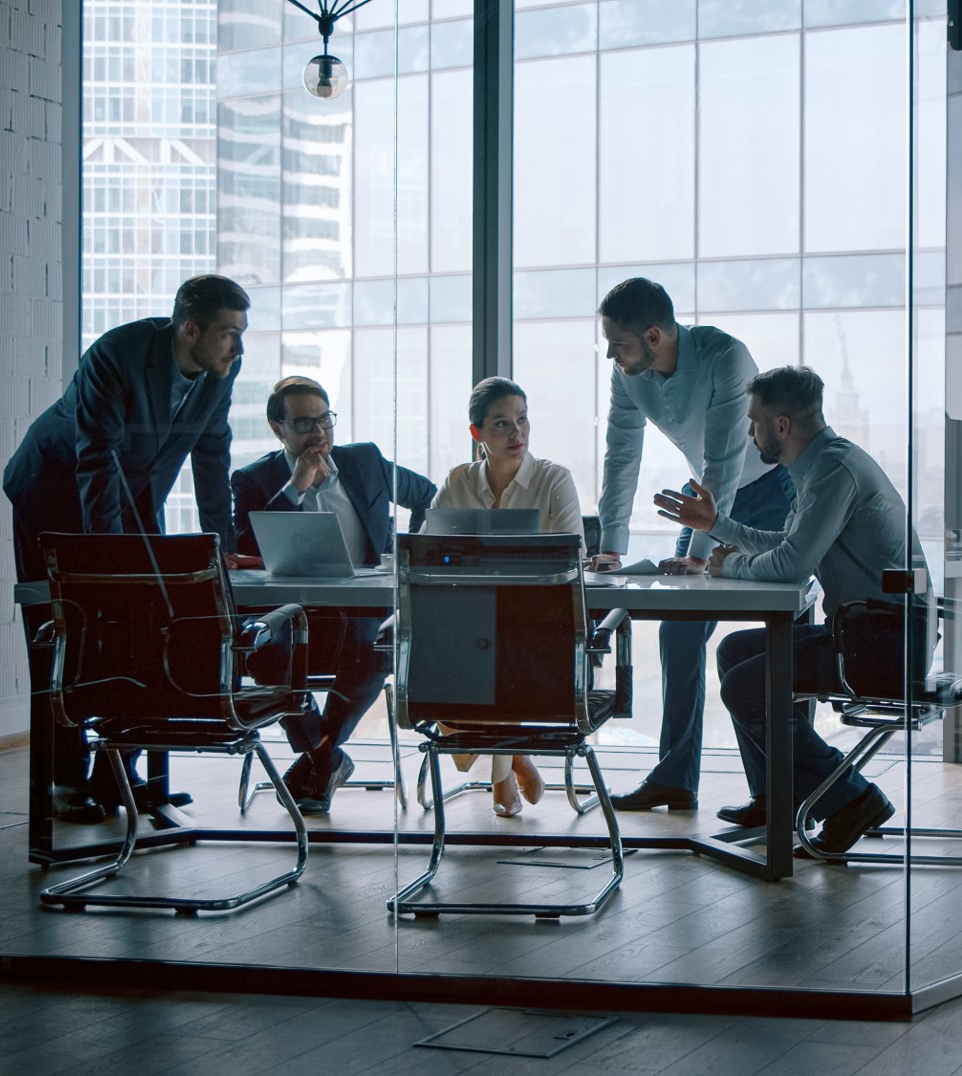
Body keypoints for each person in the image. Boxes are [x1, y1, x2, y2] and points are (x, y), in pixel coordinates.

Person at [655, 365, 934, 855]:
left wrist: (730, 567)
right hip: (869, 632)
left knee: (745, 685)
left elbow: (790, 565)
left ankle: (852, 797)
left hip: (885, 642)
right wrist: (718, 524)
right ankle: (774, 794)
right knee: (736, 652)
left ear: (780, 426)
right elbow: (788, 543)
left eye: (754, 421)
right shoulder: (821, 464)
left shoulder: (832, 471)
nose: (749, 432)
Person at [3, 274, 251, 823]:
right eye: (229, 333)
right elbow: (94, 456)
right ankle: (64, 782)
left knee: (150, 623)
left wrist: (222, 548)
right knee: (65, 626)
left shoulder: (221, 372)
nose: (239, 345)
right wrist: (108, 560)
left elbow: (213, 458)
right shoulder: (117, 353)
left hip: (132, 489)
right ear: (190, 328)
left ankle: (117, 771)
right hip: (54, 489)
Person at [590, 278, 795, 812]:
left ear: (654, 334)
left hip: (771, 492)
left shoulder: (726, 357)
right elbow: (620, 455)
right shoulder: (627, 377)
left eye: (620, 343)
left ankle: (777, 794)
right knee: (679, 632)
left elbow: (725, 459)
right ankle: (676, 776)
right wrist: (611, 544)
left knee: (776, 634)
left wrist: (700, 554)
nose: (611, 353)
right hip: (705, 497)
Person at [232, 376, 436, 814]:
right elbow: (246, 546)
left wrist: (402, 552)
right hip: (291, 613)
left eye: (325, 419)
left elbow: (428, 496)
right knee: (265, 655)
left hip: (361, 608)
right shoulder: (253, 479)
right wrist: (296, 487)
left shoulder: (365, 461)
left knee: (374, 649)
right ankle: (326, 759)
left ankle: (317, 759)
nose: (319, 433)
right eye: (304, 424)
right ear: (277, 428)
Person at [432, 376, 585, 817]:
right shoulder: (458, 481)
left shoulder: (554, 479)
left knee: (491, 649)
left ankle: (502, 773)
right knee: (469, 646)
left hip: (537, 628)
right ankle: (513, 759)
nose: (517, 433)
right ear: (477, 434)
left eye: (522, 420)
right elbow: (426, 551)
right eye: (501, 424)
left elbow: (571, 559)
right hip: (472, 626)